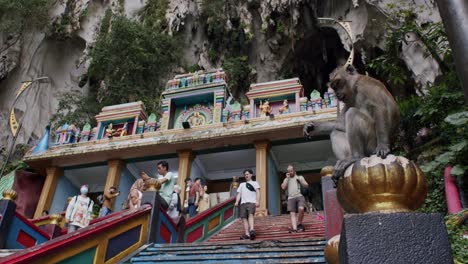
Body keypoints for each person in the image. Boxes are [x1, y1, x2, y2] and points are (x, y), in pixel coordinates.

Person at [281, 165, 309, 233]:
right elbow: (283, 187)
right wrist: (287, 178)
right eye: (288, 171)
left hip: (299, 195)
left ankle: (299, 223)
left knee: (301, 208)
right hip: (291, 197)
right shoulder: (286, 179)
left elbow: (306, 185)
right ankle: (295, 229)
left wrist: (300, 181)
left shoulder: (300, 177)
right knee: (292, 213)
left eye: (291, 171)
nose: (290, 172)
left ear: (294, 170)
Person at [235, 169, 260, 240]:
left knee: (250, 214)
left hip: (251, 202)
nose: (246, 175)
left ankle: (252, 230)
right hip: (243, 203)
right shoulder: (242, 184)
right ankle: (247, 234)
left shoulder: (255, 183)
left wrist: (258, 201)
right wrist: (237, 201)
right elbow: (239, 194)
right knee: (243, 218)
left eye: (248, 174)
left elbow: (258, 192)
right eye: (245, 174)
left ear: (251, 175)